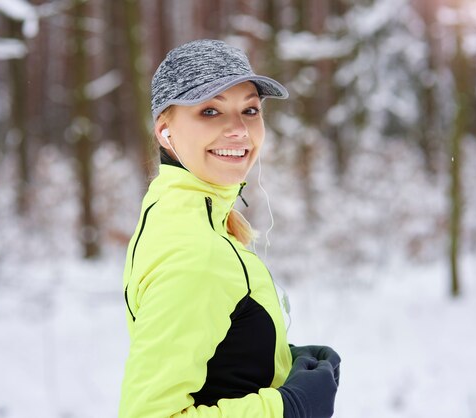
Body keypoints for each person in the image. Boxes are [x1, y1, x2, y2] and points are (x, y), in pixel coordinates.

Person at [119, 39, 340, 418]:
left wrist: (279, 363)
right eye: (210, 111)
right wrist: (289, 407)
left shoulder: (179, 213)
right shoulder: (195, 250)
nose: (239, 130)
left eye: (250, 109)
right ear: (165, 130)